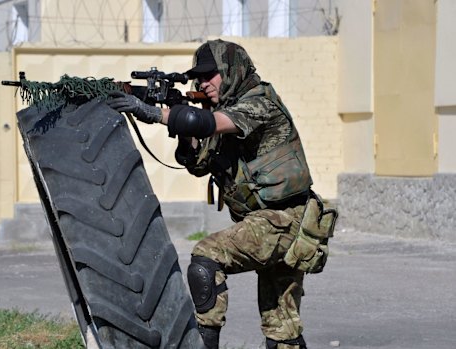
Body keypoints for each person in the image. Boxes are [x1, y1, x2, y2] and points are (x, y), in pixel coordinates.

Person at [107, 39, 335, 349]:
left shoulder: (260, 101)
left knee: (207, 257)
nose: (202, 82)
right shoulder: (222, 111)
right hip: (271, 221)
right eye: (198, 77)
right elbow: (198, 164)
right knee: (281, 328)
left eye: (209, 75)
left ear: (231, 71)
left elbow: (206, 123)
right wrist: (183, 132)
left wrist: (156, 113)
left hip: (286, 219)